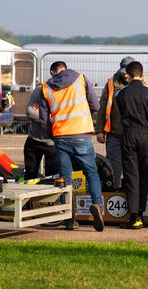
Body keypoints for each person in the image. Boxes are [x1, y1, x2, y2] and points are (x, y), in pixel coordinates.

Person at [39, 61, 105, 232]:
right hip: (81, 135)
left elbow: (44, 120)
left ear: (54, 72)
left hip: (60, 137)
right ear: (66, 69)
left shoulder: (46, 87)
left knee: (65, 179)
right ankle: (97, 204)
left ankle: (69, 219)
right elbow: (95, 106)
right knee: (91, 172)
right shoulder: (81, 79)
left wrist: (51, 135)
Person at [95, 56, 148, 190]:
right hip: (116, 134)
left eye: (127, 72)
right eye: (123, 72)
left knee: (135, 170)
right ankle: (114, 195)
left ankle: (133, 198)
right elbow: (102, 107)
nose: (125, 75)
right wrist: (99, 130)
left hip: (139, 135)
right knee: (114, 168)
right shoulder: (111, 83)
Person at [115, 61, 148, 229]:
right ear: (142, 74)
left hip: (129, 134)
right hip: (146, 134)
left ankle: (133, 217)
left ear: (129, 75)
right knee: (144, 175)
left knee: (131, 175)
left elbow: (121, 111)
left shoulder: (121, 93)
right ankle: (142, 213)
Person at [24, 85, 56, 180]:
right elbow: (30, 112)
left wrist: (41, 112)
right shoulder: (39, 91)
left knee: (51, 177)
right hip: (34, 139)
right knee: (30, 174)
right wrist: (50, 116)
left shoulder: (64, 93)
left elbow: (62, 117)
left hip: (52, 143)